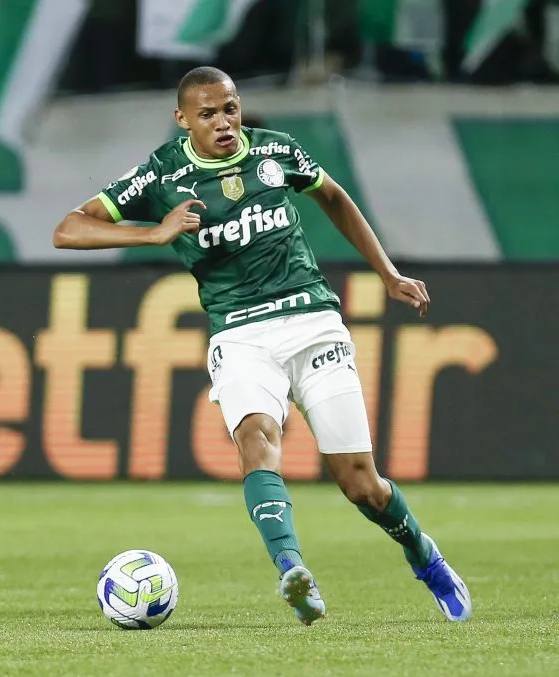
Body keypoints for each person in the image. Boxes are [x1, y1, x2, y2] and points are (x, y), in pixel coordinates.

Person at [52, 66, 471, 626]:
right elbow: (69, 228)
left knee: (360, 482)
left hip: (312, 320)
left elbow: (335, 197)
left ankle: (426, 557)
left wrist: (388, 275)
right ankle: (293, 570)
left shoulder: (277, 151)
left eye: (230, 109)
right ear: (183, 120)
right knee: (256, 438)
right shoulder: (162, 173)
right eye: (208, 114)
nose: (224, 123)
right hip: (240, 334)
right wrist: (150, 232)